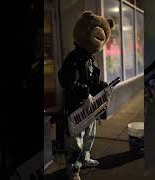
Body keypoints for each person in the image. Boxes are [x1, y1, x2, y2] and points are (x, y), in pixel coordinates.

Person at [58, 11, 114, 180]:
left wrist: (103, 87)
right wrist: (84, 92)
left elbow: (94, 82)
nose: (100, 35)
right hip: (76, 107)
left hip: (90, 108)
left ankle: (86, 158)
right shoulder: (73, 57)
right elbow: (66, 78)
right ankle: (73, 169)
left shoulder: (91, 59)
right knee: (75, 139)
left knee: (89, 134)